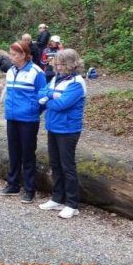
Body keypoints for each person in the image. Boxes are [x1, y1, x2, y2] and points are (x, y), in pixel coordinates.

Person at [38, 49, 86, 219]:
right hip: (53, 127)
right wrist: (52, 95)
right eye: (57, 63)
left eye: (61, 63)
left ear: (71, 64)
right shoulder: (55, 79)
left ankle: (72, 204)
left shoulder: (76, 82)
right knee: (55, 164)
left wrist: (49, 98)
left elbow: (62, 104)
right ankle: (57, 198)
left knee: (67, 166)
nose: (57, 66)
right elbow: (41, 93)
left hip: (68, 129)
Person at [0, 41, 47, 203]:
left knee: (27, 155)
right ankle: (13, 184)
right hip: (12, 118)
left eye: (15, 54)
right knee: (13, 152)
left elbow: (43, 97)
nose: (11, 57)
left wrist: (33, 111)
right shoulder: (11, 71)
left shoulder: (36, 72)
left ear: (25, 55)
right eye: (11, 53)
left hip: (28, 120)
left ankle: (29, 189)